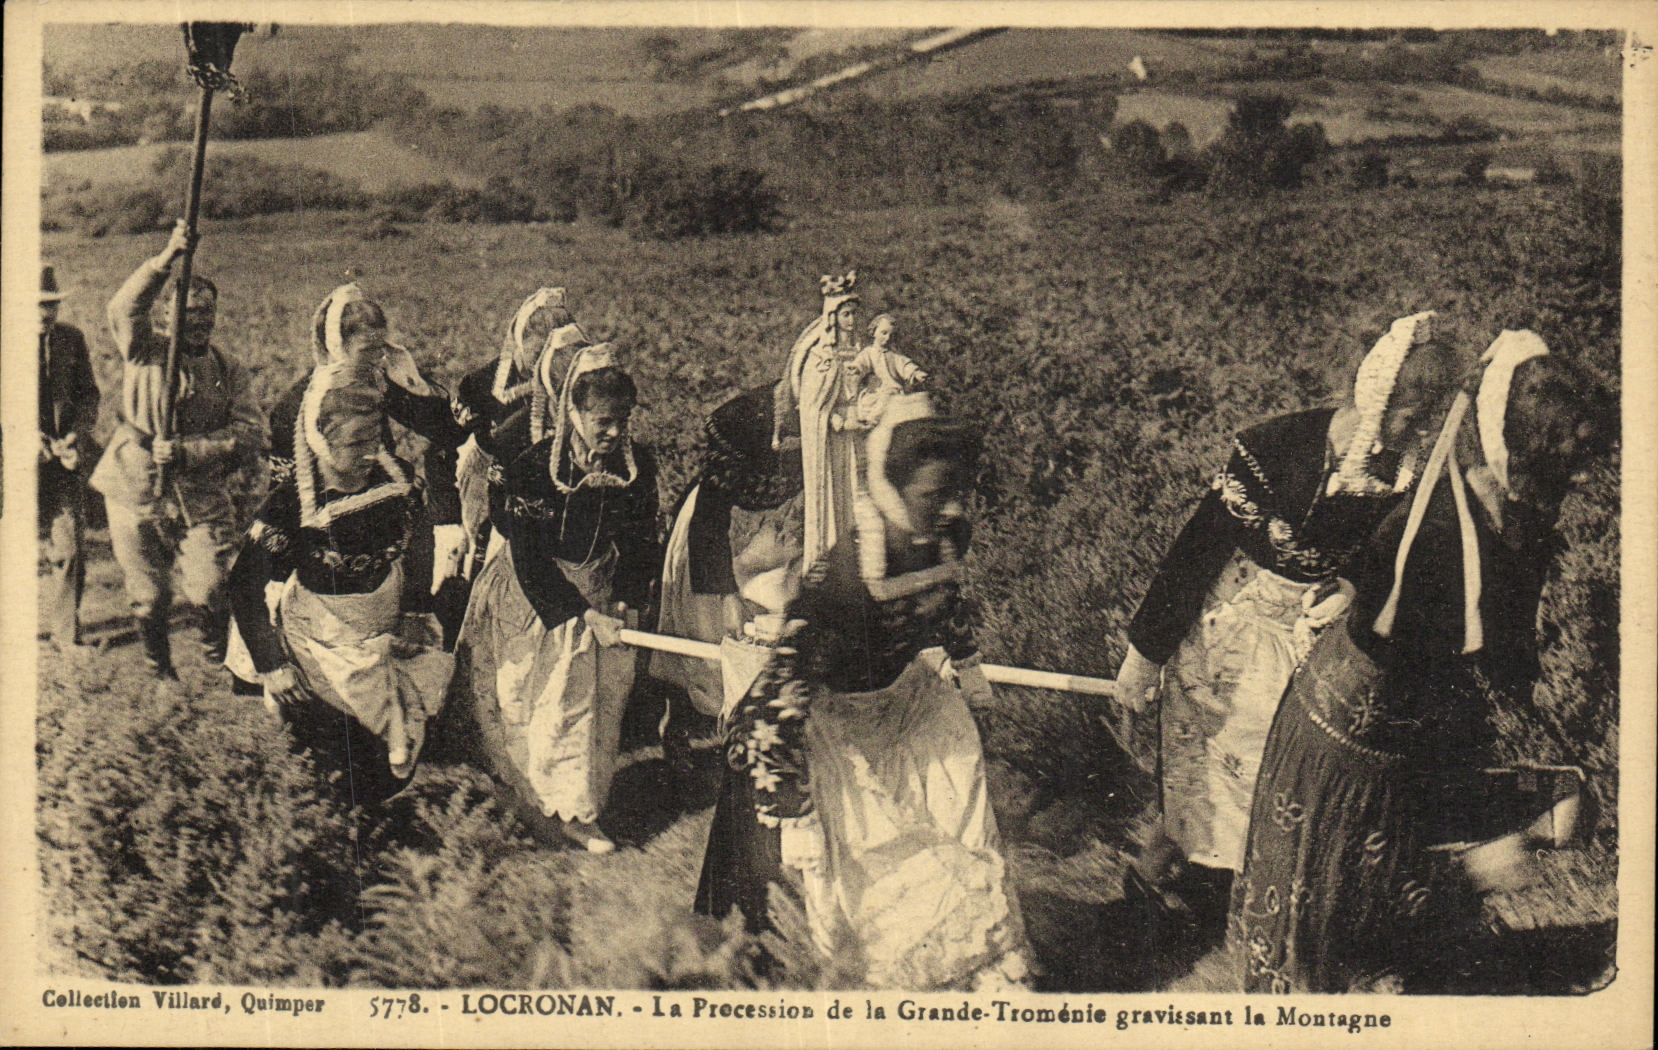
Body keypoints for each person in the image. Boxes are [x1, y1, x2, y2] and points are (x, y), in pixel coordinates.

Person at [1232, 335, 1614, 993]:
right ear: (1515, 461)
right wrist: (1486, 837)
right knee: (1314, 954)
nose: (1570, 489)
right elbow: (1428, 680)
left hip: (1393, 732)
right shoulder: (1436, 541)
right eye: (1561, 474)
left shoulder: (1503, 513)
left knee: (1375, 927)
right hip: (1344, 752)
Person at [1112, 312, 1462, 927]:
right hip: (1232, 628)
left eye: (1422, 421)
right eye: (1405, 415)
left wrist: (1352, 584)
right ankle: (1159, 870)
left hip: (1307, 633)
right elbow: (1197, 548)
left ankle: (1251, 896)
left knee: (1283, 766)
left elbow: (1386, 555)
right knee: (1212, 759)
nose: (1410, 432)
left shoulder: (1396, 474)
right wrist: (1146, 654)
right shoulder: (1276, 447)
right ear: (1374, 393)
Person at [696, 395, 1030, 990]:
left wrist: (968, 664)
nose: (949, 507)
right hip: (831, 722)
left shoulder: (950, 531)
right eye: (933, 495)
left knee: (963, 834)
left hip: (911, 704)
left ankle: (977, 970)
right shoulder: (843, 580)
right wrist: (792, 811)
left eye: (955, 492)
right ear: (890, 486)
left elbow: (945, 600)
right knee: (870, 879)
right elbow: (770, 709)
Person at [452, 343, 660, 853]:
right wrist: (582, 613)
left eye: (623, 420)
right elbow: (528, 557)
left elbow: (640, 543)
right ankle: (539, 802)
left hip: (597, 590)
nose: (614, 432)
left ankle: (576, 809)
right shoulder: (532, 469)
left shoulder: (638, 468)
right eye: (603, 421)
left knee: (593, 706)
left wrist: (624, 601)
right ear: (573, 411)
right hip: (535, 597)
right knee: (534, 701)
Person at [227, 361, 452, 805]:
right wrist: (272, 664)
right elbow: (244, 585)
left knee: (397, 740)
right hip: (323, 637)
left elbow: (420, 540)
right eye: (356, 442)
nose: (370, 453)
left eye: (376, 439)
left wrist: (414, 609)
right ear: (321, 440)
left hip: (384, 619)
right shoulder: (293, 504)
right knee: (336, 743)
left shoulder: (397, 482)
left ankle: (381, 814)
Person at [90, 220, 268, 680]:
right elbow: (124, 307)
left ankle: (217, 662)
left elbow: (250, 433)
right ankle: (160, 671)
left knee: (210, 586)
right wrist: (166, 257)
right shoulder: (144, 348)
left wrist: (192, 452)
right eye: (189, 312)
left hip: (200, 491)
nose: (200, 321)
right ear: (168, 315)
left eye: (207, 312)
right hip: (133, 481)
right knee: (148, 593)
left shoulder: (227, 368)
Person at [652, 381, 806, 723]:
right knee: (710, 638)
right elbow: (711, 515)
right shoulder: (742, 421)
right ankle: (689, 720)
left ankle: (765, 718)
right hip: (727, 534)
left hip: (787, 529)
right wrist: (726, 594)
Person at [38, 266, 102, 653]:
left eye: (50, 306)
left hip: (64, 459)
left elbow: (89, 395)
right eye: (37, 306)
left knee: (71, 548)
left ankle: (65, 635)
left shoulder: (71, 341)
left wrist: (78, 431)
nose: (45, 314)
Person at [785, 270, 866, 568]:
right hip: (833, 445)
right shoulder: (822, 357)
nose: (852, 320)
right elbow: (811, 406)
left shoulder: (861, 353)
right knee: (837, 498)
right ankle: (829, 555)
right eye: (846, 314)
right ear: (833, 317)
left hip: (859, 439)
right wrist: (835, 420)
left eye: (855, 314)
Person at [850, 312, 927, 430]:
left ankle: (872, 421)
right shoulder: (869, 352)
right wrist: (856, 367)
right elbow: (862, 362)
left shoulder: (894, 355)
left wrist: (915, 373)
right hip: (875, 391)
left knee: (888, 398)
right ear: (874, 332)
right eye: (884, 333)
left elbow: (905, 365)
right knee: (866, 401)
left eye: (891, 334)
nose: (887, 337)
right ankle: (866, 421)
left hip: (892, 391)